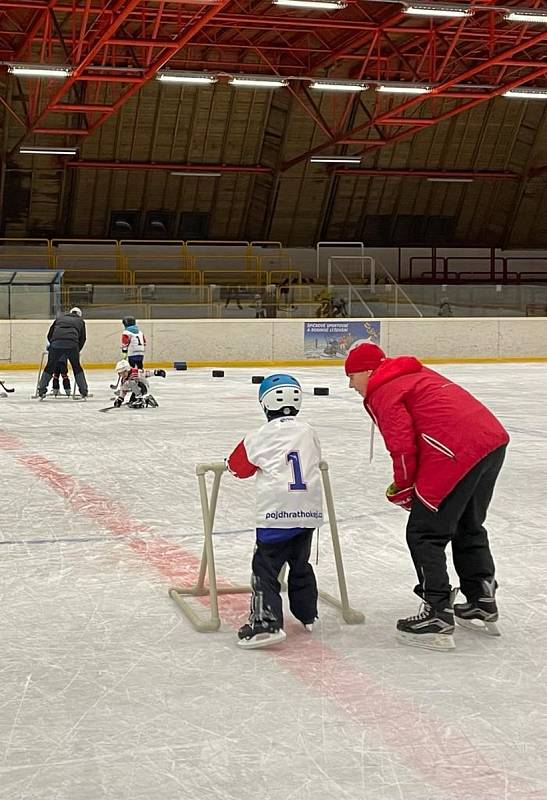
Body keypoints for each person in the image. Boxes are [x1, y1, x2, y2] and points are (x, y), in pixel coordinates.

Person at [345, 342, 509, 652]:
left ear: (367, 372)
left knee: (423, 533)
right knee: (468, 523)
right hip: (491, 441)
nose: (350, 385)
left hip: (456, 451)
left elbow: (402, 446)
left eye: (351, 376)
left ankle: (436, 613)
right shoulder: (412, 374)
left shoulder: (383, 390)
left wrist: (405, 487)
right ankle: (481, 598)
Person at [226, 374, 324, 649]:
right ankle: (307, 614)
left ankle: (266, 622)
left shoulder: (259, 436)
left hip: (276, 514)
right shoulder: (308, 431)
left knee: (265, 568)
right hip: (307, 512)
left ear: (265, 404)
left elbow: (238, 468)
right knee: (300, 564)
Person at [38, 307, 88, 398]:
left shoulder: (59, 319)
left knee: (50, 366)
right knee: (76, 367)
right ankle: (84, 390)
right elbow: (83, 338)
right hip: (72, 344)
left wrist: (53, 344)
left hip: (56, 344)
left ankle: (41, 389)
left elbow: (50, 334)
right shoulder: (80, 321)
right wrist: (77, 349)